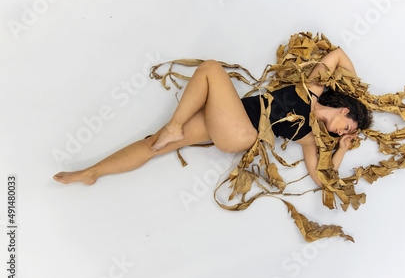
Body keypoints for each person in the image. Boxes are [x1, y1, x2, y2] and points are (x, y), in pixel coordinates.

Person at [53, 48, 372, 186]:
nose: (344, 132)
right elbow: (339, 55)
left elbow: (321, 178)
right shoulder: (313, 87)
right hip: (228, 118)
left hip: (243, 134)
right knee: (153, 144)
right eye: (349, 126)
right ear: (345, 110)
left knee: (210, 68)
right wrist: (358, 92)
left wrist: (341, 148)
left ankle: (174, 125)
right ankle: (92, 172)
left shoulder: (310, 138)